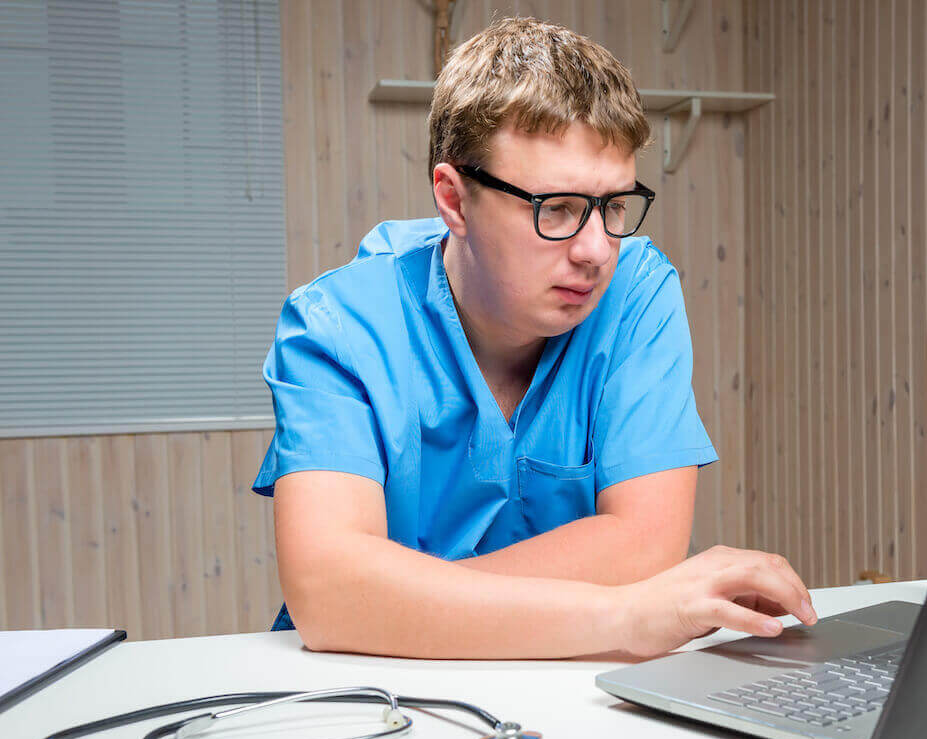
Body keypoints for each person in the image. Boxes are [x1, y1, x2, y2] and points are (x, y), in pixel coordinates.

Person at [252, 17, 818, 659]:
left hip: (564, 693)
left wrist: (396, 602)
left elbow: (646, 545)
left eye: (613, 205)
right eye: (556, 208)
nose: (597, 250)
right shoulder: (336, 325)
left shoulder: (638, 288)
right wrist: (623, 615)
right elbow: (331, 600)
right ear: (454, 200)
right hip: (375, 692)